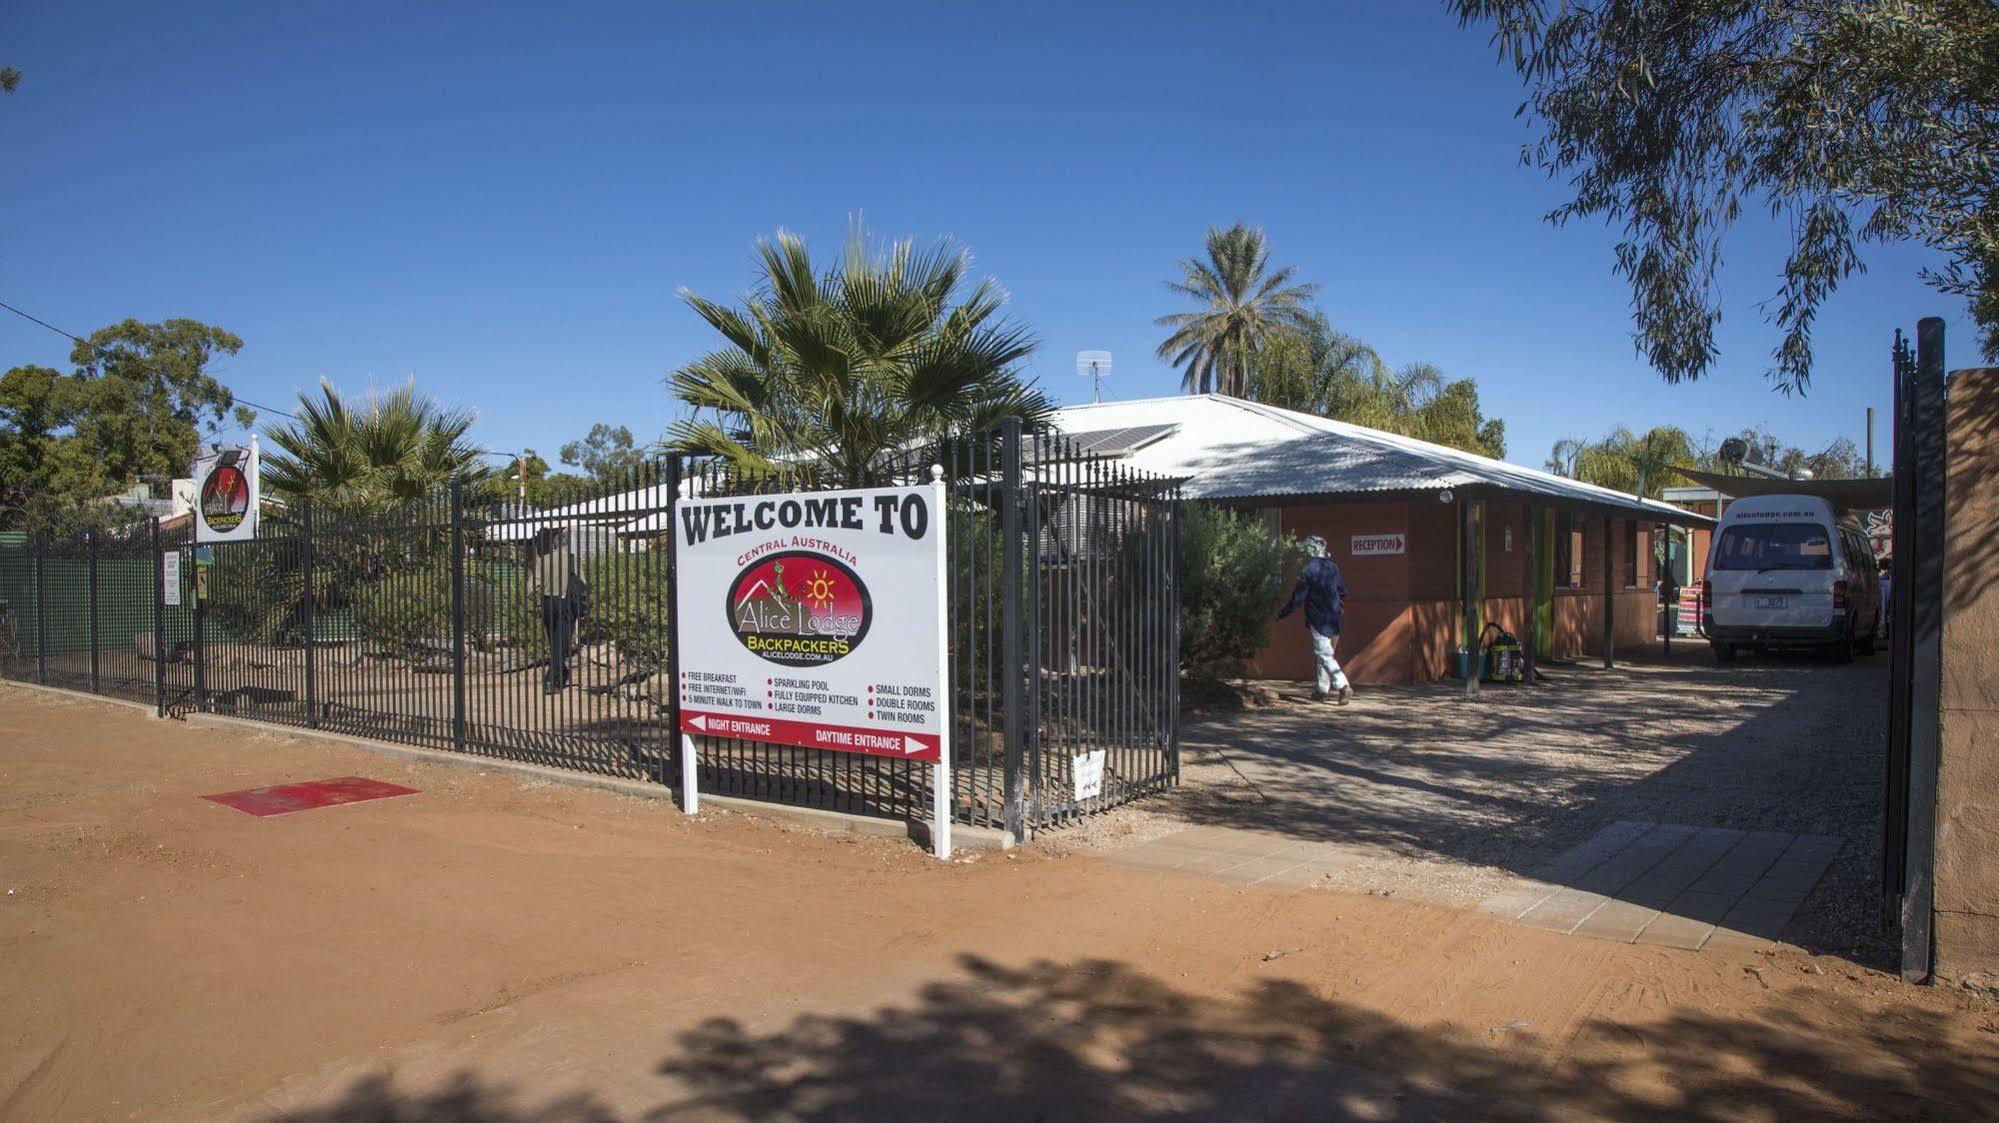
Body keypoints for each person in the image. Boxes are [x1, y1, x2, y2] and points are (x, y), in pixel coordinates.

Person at [1276, 535, 1352, 704]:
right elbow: (1343, 591)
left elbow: (1297, 599)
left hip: (1317, 618)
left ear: (1310, 550)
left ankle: (1342, 686)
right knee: (1325, 655)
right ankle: (1322, 690)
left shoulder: (1308, 569)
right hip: (1335, 618)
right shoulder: (1333, 568)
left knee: (1324, 654)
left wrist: (1282, 614)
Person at [531, 527, 586, 694]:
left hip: (548, 604)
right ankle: (551, 680)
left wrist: (537, 602)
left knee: (554, 642)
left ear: (554, 546)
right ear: (566, 546)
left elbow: (532, 585)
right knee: (561, 644)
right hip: (565, 604)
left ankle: (560, 675)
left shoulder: (543, 560)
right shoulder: (572, 560)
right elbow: (582, 584)